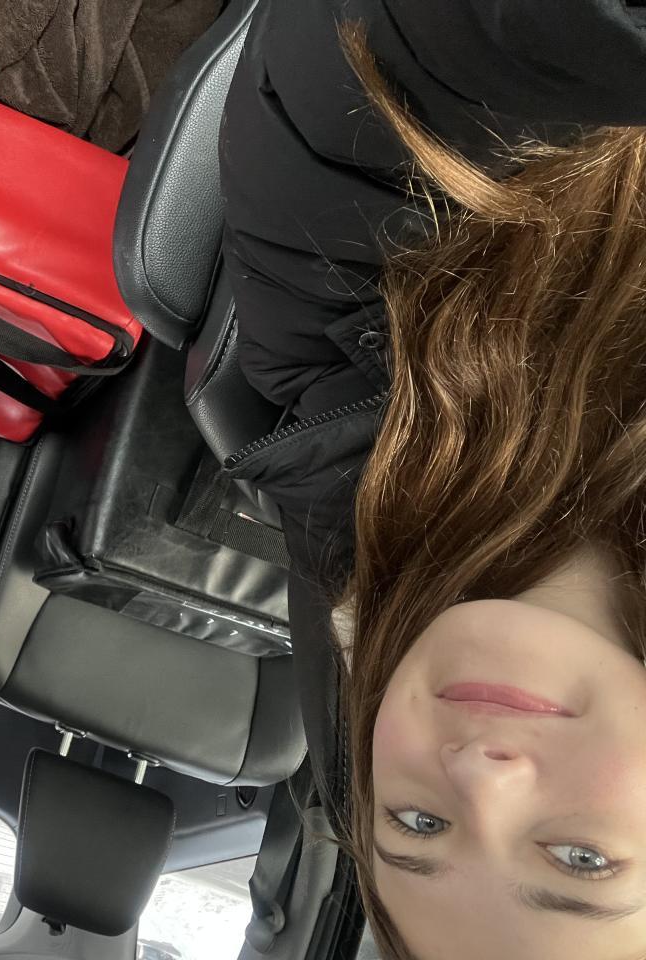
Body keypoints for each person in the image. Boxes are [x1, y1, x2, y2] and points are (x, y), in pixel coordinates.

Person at [215, 1, 646, 957]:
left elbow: (376, 61)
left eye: (417, 824)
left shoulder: (342, 364)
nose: (482, 779)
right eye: (580, 860)